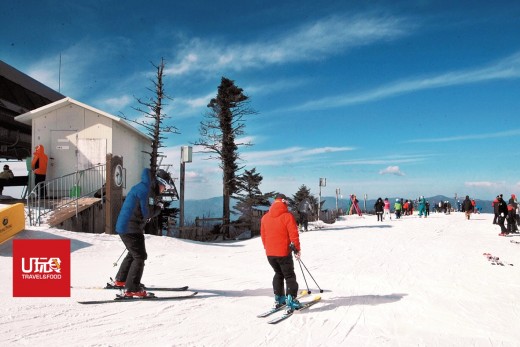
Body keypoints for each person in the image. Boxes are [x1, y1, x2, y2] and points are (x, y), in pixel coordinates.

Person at [113, 168, 167, 297]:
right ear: (159, 183)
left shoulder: (145, 187)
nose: (164, 190)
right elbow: (147, 212)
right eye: (164, 187)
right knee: (140, 256)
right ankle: (132, 288)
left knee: (133, 254)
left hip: (128, 226)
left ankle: (121, 280)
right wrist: (159, 208)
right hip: (130, 228)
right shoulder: (146, 191)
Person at [261, 193, 302, 311]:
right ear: (284, 202)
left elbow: (263, 236)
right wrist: (297, 249)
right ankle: (292, 300)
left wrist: (268, 248)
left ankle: (279, 298)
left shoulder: (265, 217)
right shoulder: (287, 216)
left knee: (278, 274)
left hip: (270, 254)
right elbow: (293, 235)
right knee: (289, 275)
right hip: (283, 252)